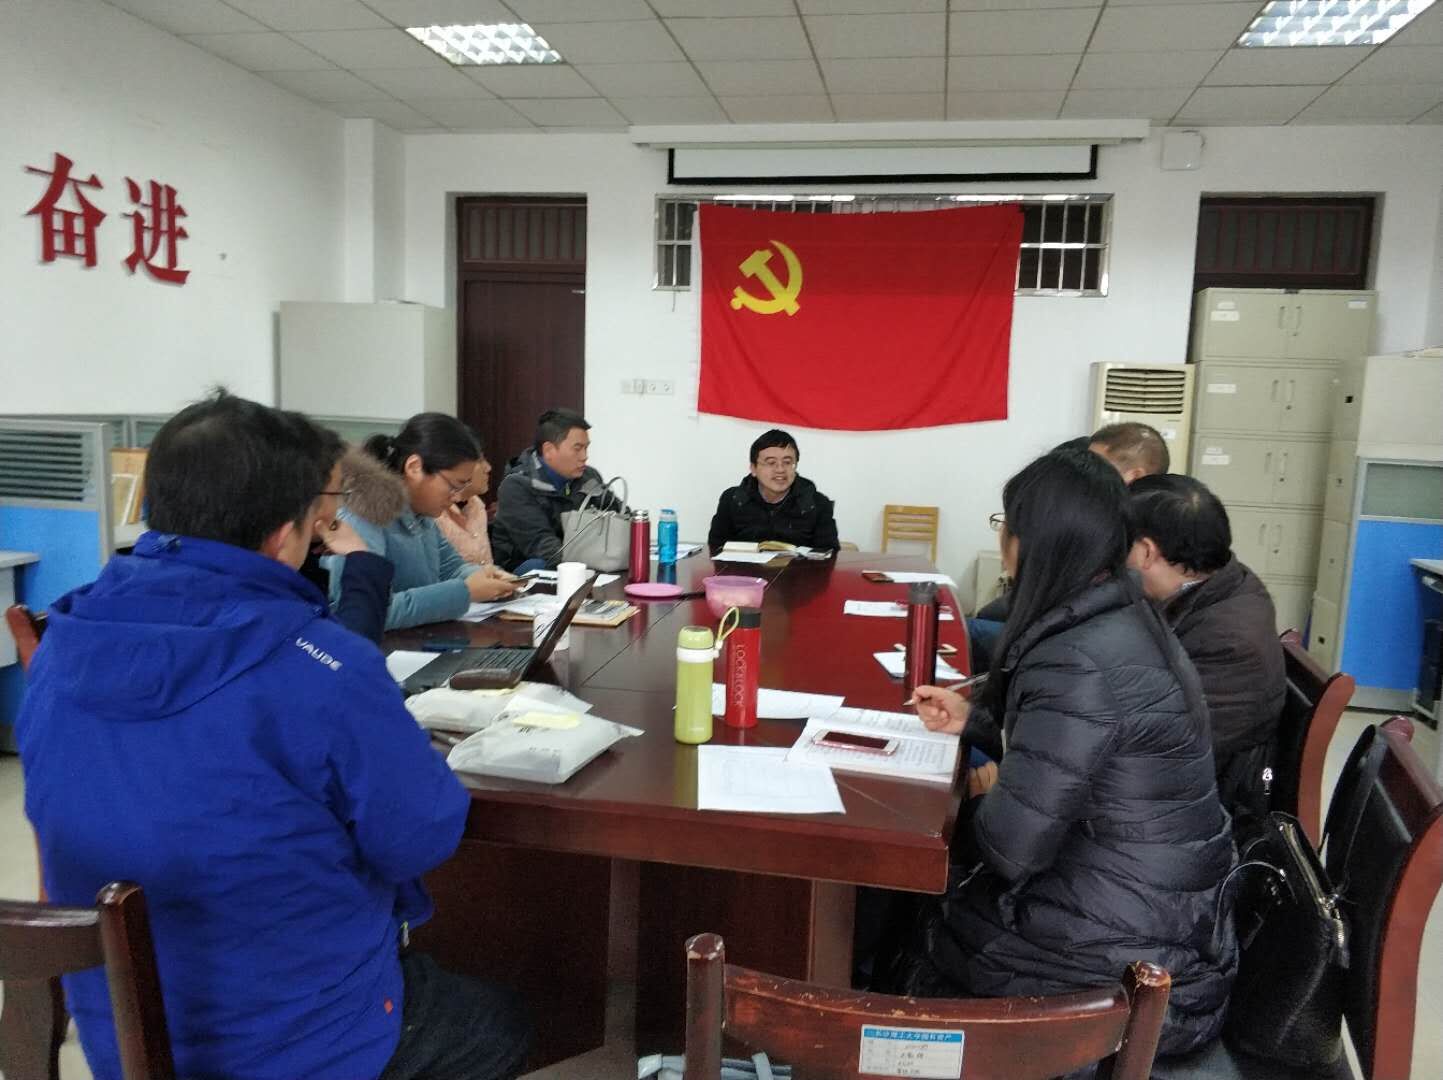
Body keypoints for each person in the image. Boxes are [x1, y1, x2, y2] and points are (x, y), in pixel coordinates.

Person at [16, 391, 530, 1080]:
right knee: (500, 1021)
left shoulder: (59, 646)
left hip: (122, 1032)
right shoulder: (322, 665)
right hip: (300, 1042)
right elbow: (420, 837)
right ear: (285, 534)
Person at [898, 447, 1236, 1058]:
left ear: (1033, 543)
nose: (1002, 541)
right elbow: (1082, 748)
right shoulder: (1122, 615)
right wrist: (978, 722)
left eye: (1004, 526)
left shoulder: (1076, 657)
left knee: (903, 916)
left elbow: (1011, 848)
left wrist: (976, 793)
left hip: (1117, 965)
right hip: (1159, 919)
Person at [1128, 473, 1286, 826]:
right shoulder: (1216, 585)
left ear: (1146, 551)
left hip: (1190, 812)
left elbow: (1162, 749)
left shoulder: (1229, 642)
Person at [968, 421, 1170, 669]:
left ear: (1135, 476)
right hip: (1073, 620)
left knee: (971, 629)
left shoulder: (1127, 523)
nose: (1087, 473)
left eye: (1098, 464)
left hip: (1078, 628)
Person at [339, 414, 518, 631]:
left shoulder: (422, 514)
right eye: (454, 485)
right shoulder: (363, 515)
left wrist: (485, 576)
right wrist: (465, 592)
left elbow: (451, 568)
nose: (456, 496)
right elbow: (370, 611)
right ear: (414, 467)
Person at [489, 407, 626, 571]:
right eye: (577, 448)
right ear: (549, 450)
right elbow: (544, 547)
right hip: (524, 570)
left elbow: (620, 514)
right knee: (540, 563)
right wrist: (594, 563)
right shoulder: (516, 486)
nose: (584, 456)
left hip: (580, 562)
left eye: (586, 448)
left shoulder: (588, 476)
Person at [707, 428, 839, 552]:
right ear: (753, 468)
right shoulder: (733, 499)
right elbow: (715, 548)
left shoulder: (817, 503)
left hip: (799, 569)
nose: (780, 469)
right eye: (771, 463)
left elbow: (828, 554)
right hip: (743, 569)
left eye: (787, 462)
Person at [436, 453, 495, 568]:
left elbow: (487, 563)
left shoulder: (476, 504)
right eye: (480, 461)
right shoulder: (433, 513)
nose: (488, 468)